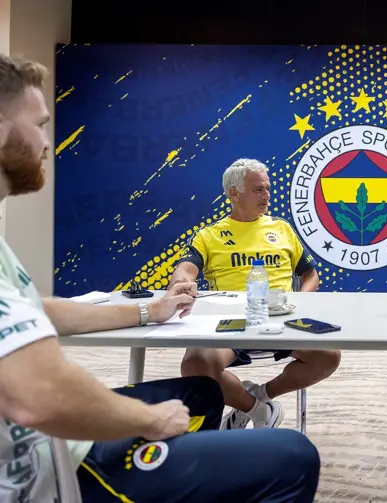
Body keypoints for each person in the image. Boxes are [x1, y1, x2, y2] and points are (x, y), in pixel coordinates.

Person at [0, 54, 319, 502]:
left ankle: (188, 475)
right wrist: (148, 420)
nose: (48, 143)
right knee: (294, 455)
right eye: (39, 125)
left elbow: (40, 309)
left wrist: (151, 310)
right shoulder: (212, 233)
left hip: (50, 438)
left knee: (201, 393)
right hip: (48, 464)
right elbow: (41, 394)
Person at [169, 158, 341, 430]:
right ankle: (257, 410)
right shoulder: (209, 236)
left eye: (268, 188)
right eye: (258, 189)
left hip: (283, 322)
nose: (267, 196)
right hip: (231, 325)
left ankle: (262, 396)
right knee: (194, 365)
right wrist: (182, 282)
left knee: (329, 356)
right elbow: (185, 270)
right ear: (233, 193)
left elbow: (311, 275)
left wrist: (299, 300)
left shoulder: (282, 229)